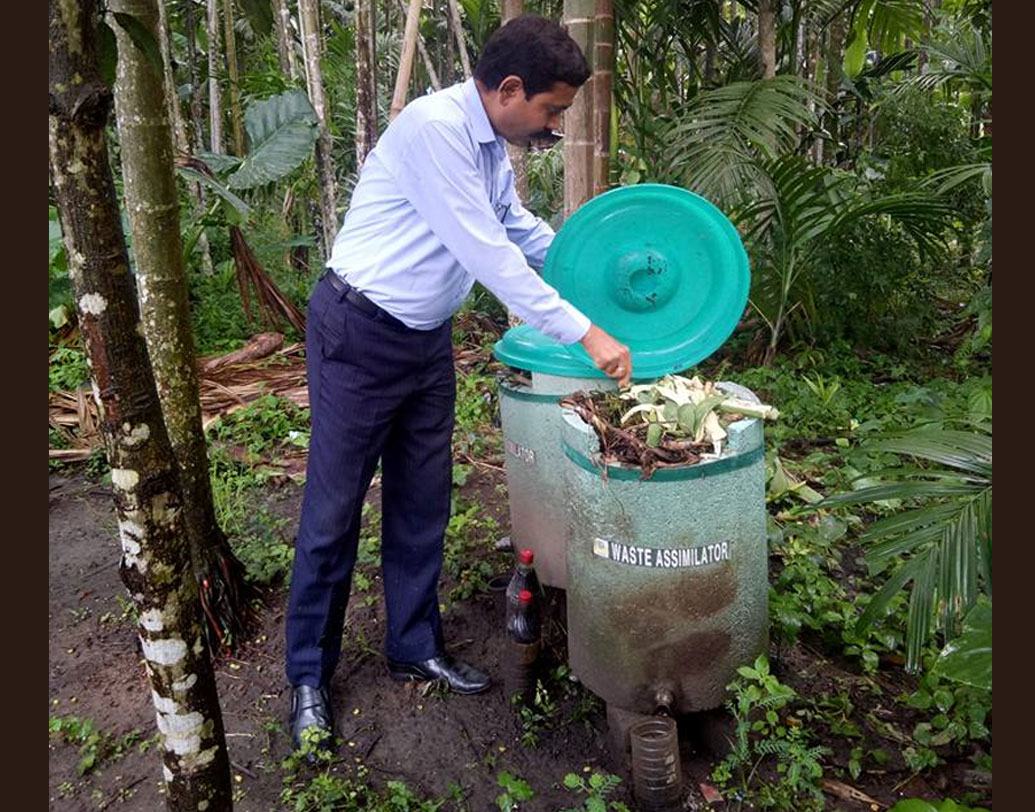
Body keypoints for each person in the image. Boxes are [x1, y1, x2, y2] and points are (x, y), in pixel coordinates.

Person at [285, 13, 632, 753]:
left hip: (422, 342)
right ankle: (308, 676)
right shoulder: (432, 129)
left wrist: (589, 268)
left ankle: (413, 644)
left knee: (421, 500)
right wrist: (583, 332)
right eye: (550, 110)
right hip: (358, 333)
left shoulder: (487, 147)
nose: (552, 125)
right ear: (509, 89)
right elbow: (486, 252)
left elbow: (517, 229)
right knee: (333, 510)